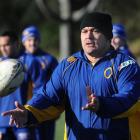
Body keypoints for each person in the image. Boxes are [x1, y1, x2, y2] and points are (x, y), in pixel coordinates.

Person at [2, 12, 140, 140]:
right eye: (84, 31)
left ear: (108, 36)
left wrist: (102, 104)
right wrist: (28, 112)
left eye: (95, 30)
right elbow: (48, 97)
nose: (88, 36)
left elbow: (130, 100)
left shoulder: (125, 64)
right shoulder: (67, 66)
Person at [20, 26, 58, 140]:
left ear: (39, 40)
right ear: (23, 42)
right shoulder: (17, 61)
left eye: (35, 39)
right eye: (29, 40)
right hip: (25, 109)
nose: (32, 43)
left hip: (46, 109)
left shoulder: (49, 59)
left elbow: (58, 84)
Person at [0, 30, 33, 140]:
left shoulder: (28, 62)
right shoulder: (0, 64)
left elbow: (37, 90)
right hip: (3, 121)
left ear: (16, 44)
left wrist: (31, 112)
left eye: (7, 45)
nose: (3, 48)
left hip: (21, 119)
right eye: (1, 46)